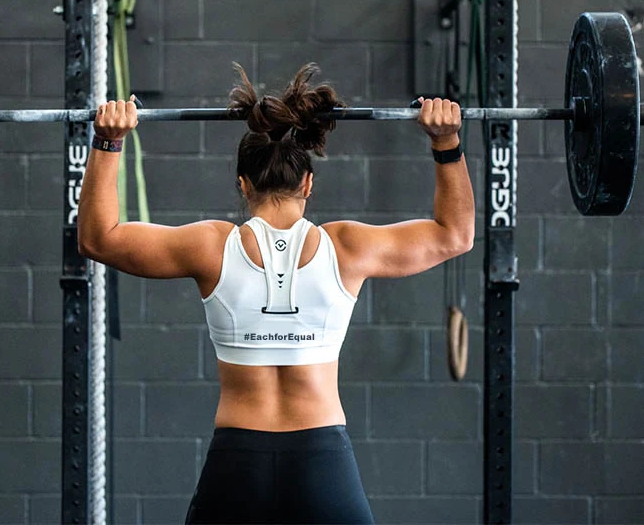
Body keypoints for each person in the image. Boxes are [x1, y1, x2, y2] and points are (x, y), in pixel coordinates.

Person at [78, 63, 474, 524]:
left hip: (237, 465)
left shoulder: (211, 247)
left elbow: (98, 239)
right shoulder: (347, 247)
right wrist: (446, 143)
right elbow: (455, 235)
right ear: (308, 182)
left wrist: (109, 142)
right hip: (323, 461)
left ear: (242, 183)